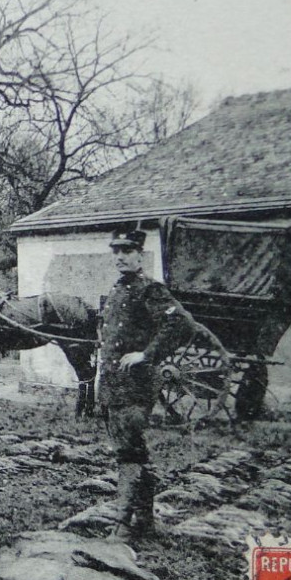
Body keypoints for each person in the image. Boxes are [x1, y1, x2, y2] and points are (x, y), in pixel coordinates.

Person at [98, 227, 195, 539]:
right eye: (116, 251)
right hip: (113, 384)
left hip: (136, 385)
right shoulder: (117, 290)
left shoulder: (149, 289)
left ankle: (123, 525)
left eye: (127, 251)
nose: (120, 257)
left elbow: (181, 323)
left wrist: (146, 354)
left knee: (129, 453)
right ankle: (146, 521)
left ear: (140, 254)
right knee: (131, 449)